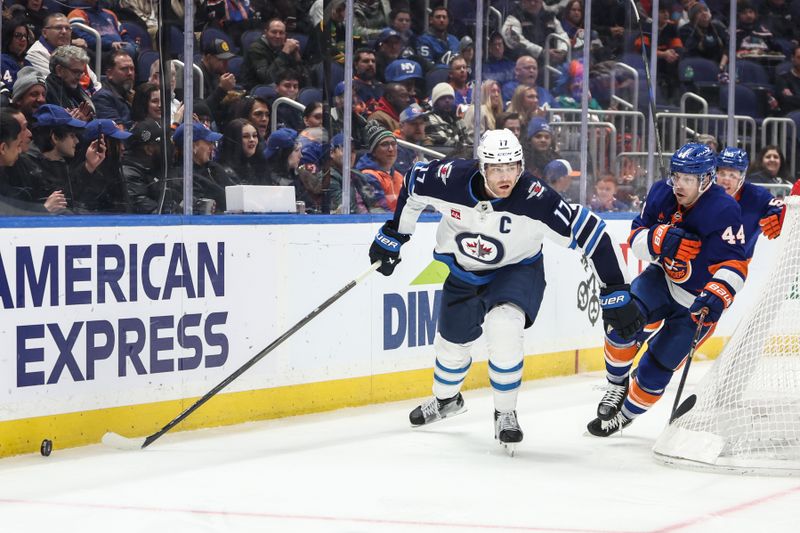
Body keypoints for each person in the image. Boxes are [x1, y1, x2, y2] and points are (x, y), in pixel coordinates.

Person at [368, 129, 640, 452]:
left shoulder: (534, 198)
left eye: (512, 167)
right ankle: (446, 401)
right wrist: (396, 234)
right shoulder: (448, 179)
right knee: (449, 351)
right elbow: (412, 184)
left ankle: (505, 412)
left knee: (504, 325)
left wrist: (615, 289)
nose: (505, 176)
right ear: (481, 167)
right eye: (497, 168)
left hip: (517, 270)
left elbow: (591, 231)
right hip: (464, 272)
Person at [588, 143, 747, 437]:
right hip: (661, 280)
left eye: (688, 179)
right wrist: (657, 240)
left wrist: (718, 293)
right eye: (677, 176)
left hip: (697, 303)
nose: (679, 185)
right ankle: (615, 385)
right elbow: (636, 236)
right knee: (622, 320)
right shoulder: (662, 192)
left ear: (706, 179)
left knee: (656, 370)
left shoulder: (725, 209)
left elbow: (735, 263)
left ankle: (623, 416)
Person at [715, 147, 784, 258]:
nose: (725, 180)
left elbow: (779, 207)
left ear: (742, 176)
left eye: (732, 175)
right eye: (722, 173)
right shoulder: (705, 194)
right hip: (705, 263)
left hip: (739, 265)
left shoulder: (756, 195)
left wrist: (778, 214)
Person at [355, 123, 404, 211]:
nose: (391, 149)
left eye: (393, 144)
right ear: (373, 151)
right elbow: (379, 209)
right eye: (385, 144)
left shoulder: (399, 176)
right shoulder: (368, 176)